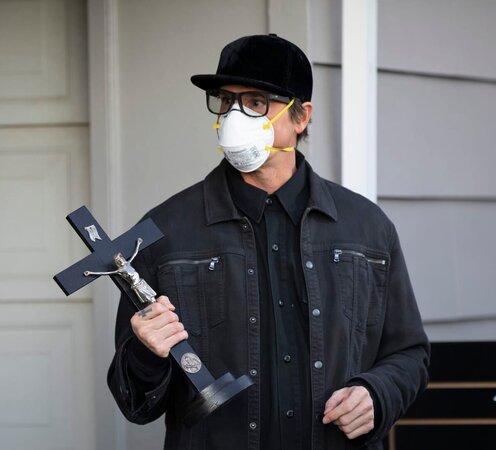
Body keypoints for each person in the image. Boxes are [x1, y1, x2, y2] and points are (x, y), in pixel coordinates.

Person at [107, 34, 429, 450]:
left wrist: (376, 394)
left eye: (256, 102)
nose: (234, 116)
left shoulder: (367, 228)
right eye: (226, 101)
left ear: (301, 117)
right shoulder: (163, 232)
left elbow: (409, 354)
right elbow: (135, 404)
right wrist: (146, 354)